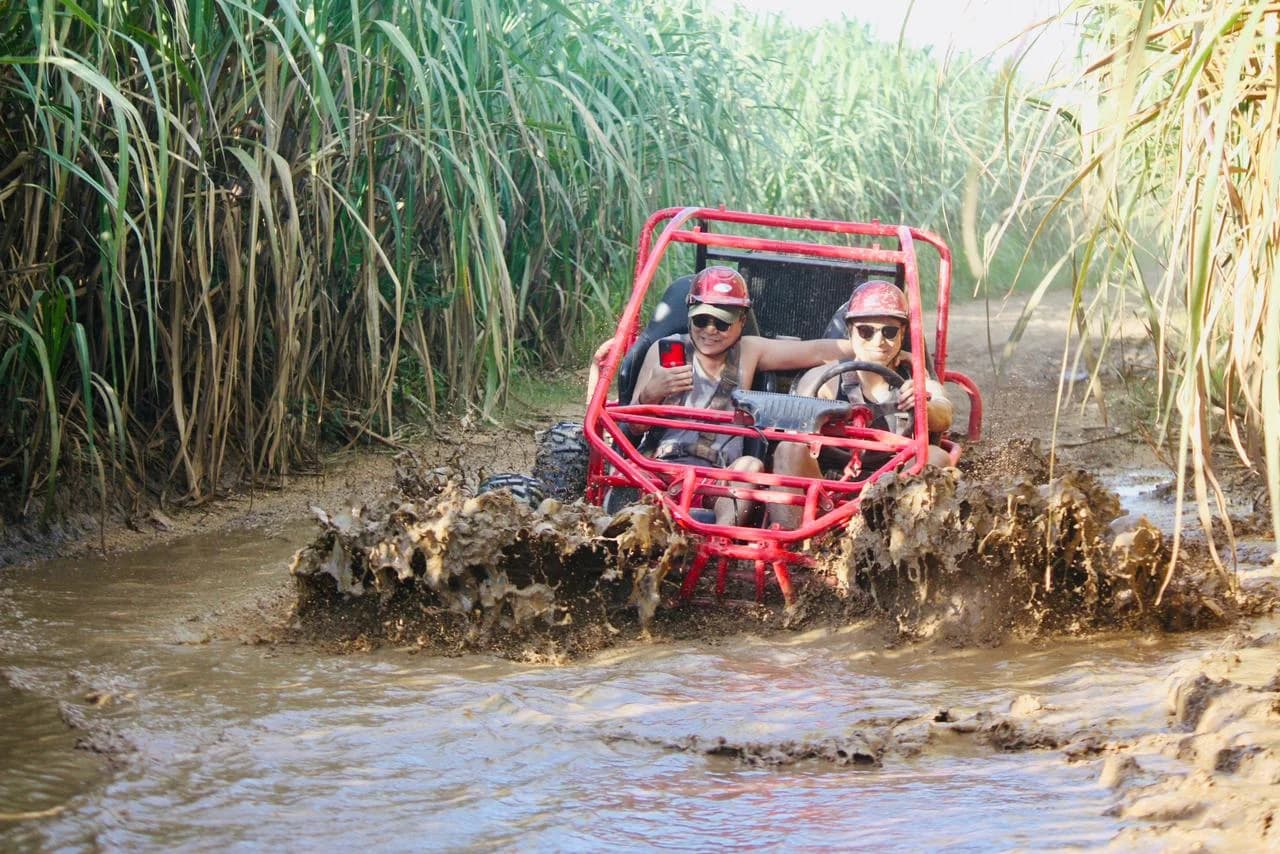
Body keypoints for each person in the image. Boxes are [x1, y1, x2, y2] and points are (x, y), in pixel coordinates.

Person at [621, 266, 858, 526]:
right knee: (627, 474)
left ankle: (719, 540)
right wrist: (650, 394)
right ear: (689, 314)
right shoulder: (663, 351)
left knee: (751, 466)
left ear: (742, 321)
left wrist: (880, 352)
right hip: (661, 469)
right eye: (702, 320)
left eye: (722, 323)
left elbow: (817, 351)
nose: (710, 330)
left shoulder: (748, 351)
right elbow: (633, 426)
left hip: (720, 478)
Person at [769, 279, 953, 530]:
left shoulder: (916, 380)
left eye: (889, 332)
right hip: (827, 483)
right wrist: (819, 414)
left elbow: (944, 414)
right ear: (850, 332)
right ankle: (796, 541)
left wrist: (924, 405)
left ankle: (900, 541)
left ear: (902, 334)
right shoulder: (825, 378)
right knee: (788, 449)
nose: (879, 341)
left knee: (936, 457)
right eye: (866, 331)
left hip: (895, 487)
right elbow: (797, 420)